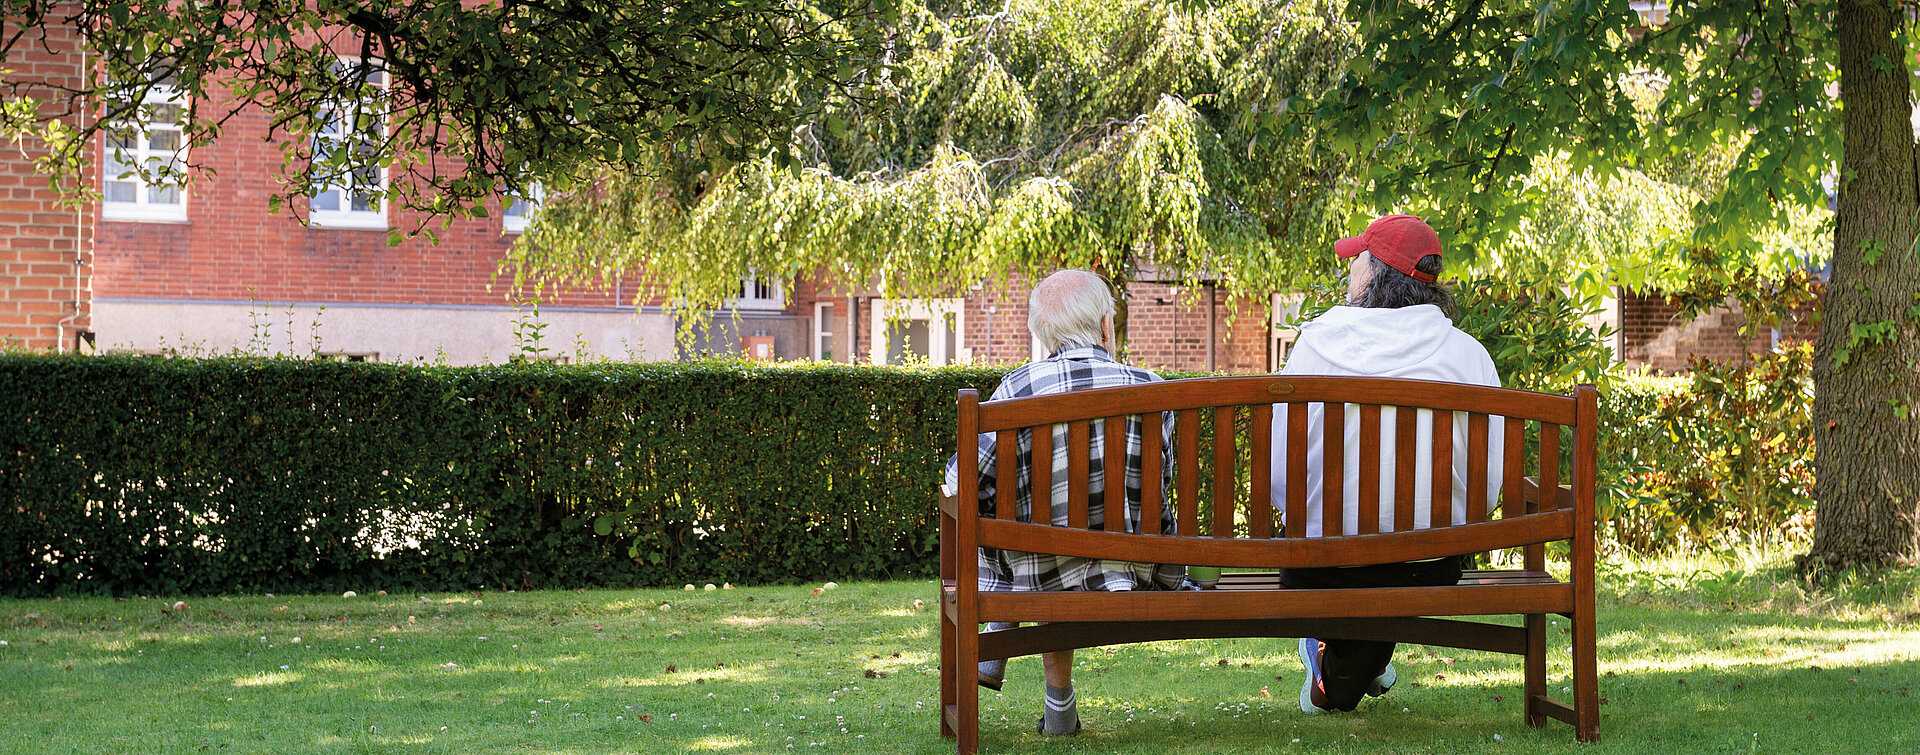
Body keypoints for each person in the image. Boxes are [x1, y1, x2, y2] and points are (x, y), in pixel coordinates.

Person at [1268, 213, 1505, 714]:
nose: (1350, 268)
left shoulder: (1315, 346)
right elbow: (1486, 490)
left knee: (1340, 678)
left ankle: (1332, 668)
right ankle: (1354, 668)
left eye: (1357, 259)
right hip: (1430, 568)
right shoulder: (1470, 358)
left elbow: (1277, 475)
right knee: (1390, 576)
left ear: (1377, 273)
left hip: (1322, 570)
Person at [942, 268, 1183, 736]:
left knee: (1013, 521)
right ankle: (1057, 712)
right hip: (1131, 570)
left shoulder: (1016, 391)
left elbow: (959, 483)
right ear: (1107, 326)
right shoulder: (1152, 389)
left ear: (1043, 334)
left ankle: (1000, 637)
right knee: (1053, 537)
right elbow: (1162, 488)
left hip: (1039, 571)